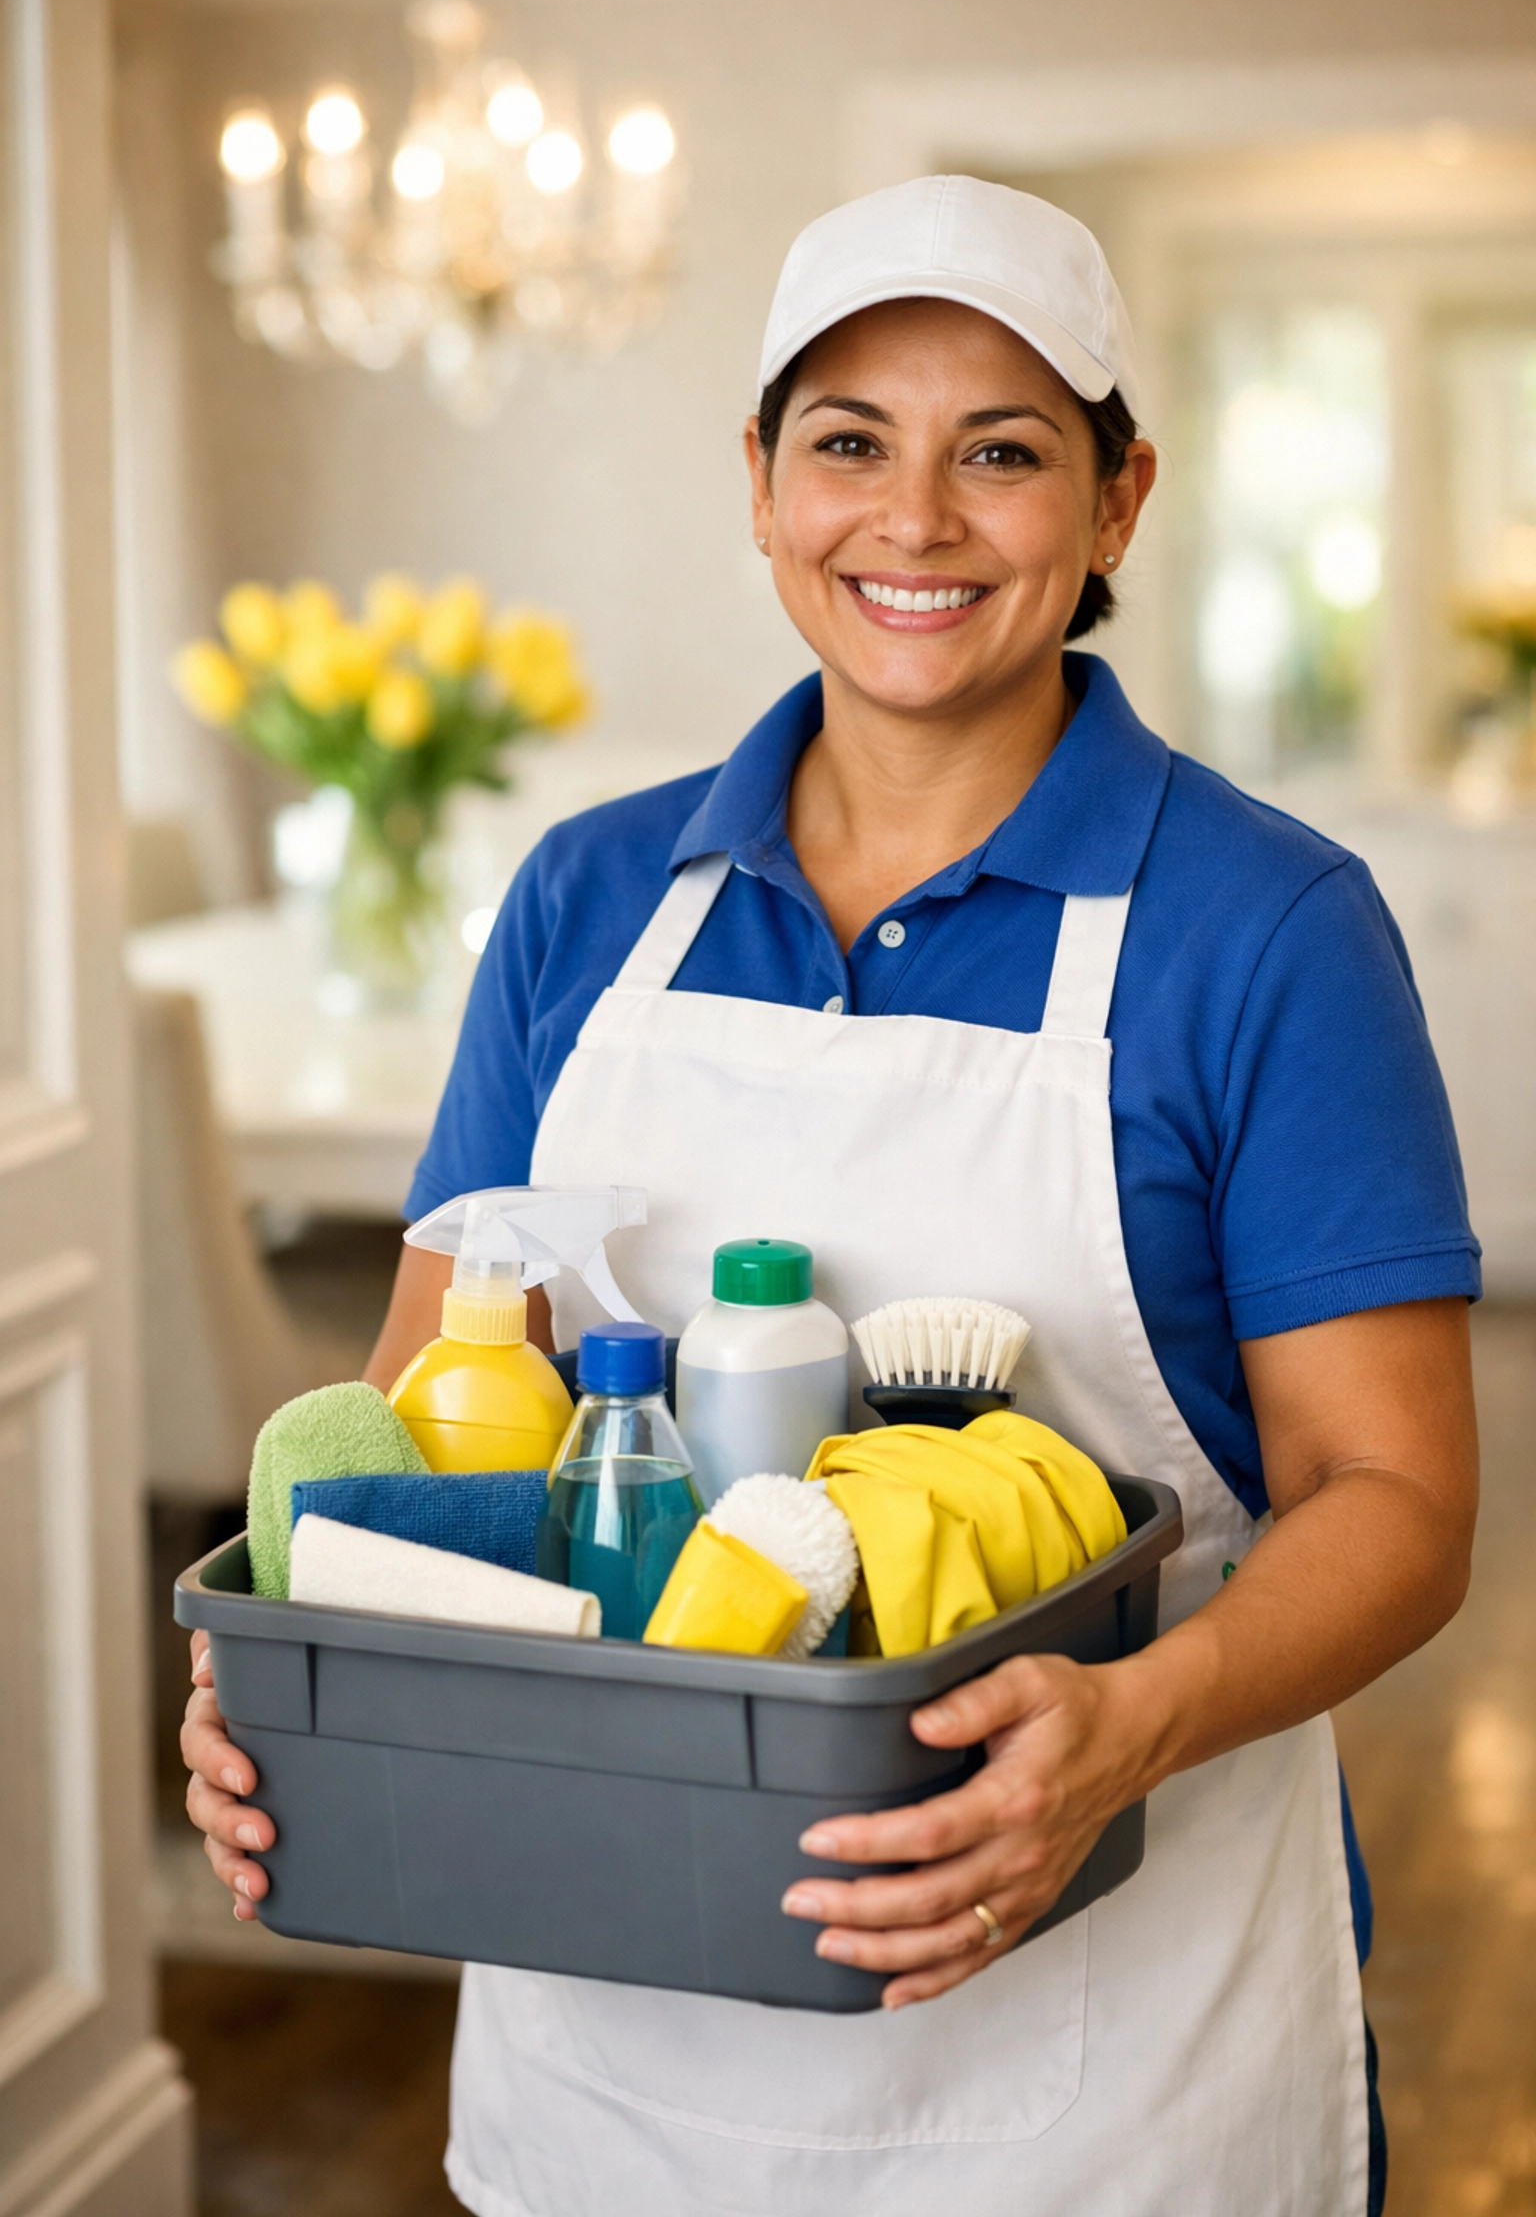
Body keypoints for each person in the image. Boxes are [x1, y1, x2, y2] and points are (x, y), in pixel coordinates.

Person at [183, 176, 1479, 2216]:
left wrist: (1128, 1728)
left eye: (1006, 452)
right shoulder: (586, 908)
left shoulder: (1268, 931)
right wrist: (299, 1695)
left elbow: (1399, 1509)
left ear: (1121, 499)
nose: (916, 519)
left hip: (1114, 2086)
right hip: (604, 2075)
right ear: (763, 485)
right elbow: (418, 1425)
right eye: (849, 442)